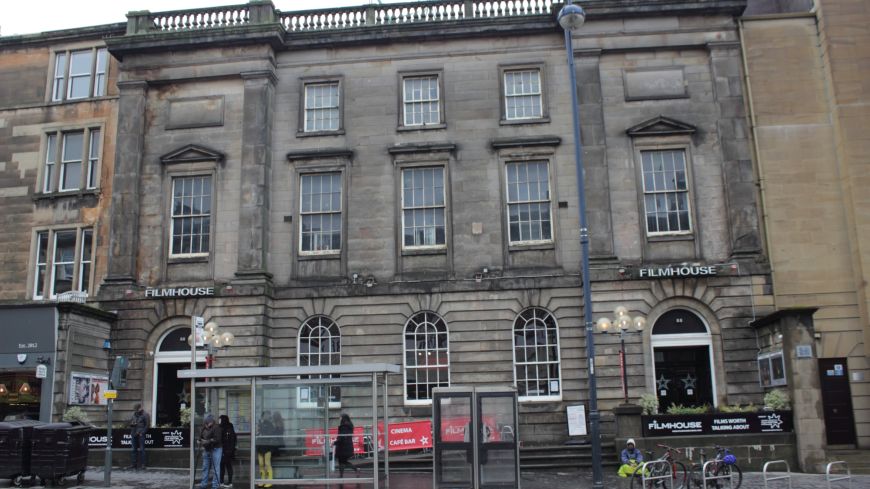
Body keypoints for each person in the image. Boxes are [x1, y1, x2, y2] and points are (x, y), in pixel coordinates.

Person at [199, 414, 223, 489]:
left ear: (212, 421)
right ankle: (203, 484)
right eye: (206, 423)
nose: (207, 424)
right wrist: (200, 440)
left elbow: (217, 439)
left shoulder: (216, 427)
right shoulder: (204, 427)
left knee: (215, 468)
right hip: (207, 449)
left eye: (208, 422)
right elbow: (200, 437)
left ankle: (215, 486)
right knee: (205, 467)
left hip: (216, 449)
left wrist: (208, 441)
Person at [333, 414, 360, 479]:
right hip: (347, 446)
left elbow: (342, 437)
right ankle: (341, 475)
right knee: (342, 461)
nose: (339, 419)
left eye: (340, 417)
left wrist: (335, 442)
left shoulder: (343, 427)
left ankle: (355, 469)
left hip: (343, 447)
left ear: (343, 418)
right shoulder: (349, 426)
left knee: (342, 461)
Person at [128, 403, 150, 471]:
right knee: (133, 449)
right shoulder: (134, 414)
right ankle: (134, 464)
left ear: (140, 408)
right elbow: (130, 423)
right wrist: (132, 424)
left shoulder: (145, 414)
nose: (136, 411)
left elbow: (147, 425)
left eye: (137, 409)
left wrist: (142, 432)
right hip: (134, 433)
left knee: (142, 449)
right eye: (135, 410)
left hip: (140, 434)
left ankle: (143, 464)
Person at [256, 412, 275, 488]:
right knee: (261, 463)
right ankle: (262, 480)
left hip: (267, 447)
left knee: (267, 463)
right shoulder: (260, 424)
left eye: (267, 415)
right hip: (260, 446)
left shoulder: (270, 424)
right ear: (262, 416)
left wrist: (262, 431)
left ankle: (269, 481)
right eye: (264, 415)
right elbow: (257, 433)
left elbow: (270, 434)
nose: (266, 417)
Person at [219, 415, 237, 488]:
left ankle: (226, 482)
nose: (219, 421)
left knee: (225, 466)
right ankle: (225, 482)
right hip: (226, 451)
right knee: (225, 466)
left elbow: (232, 440)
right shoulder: (228, 427)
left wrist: (229, 451)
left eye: (220, 419)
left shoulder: (226, 428)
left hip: (226, 451)